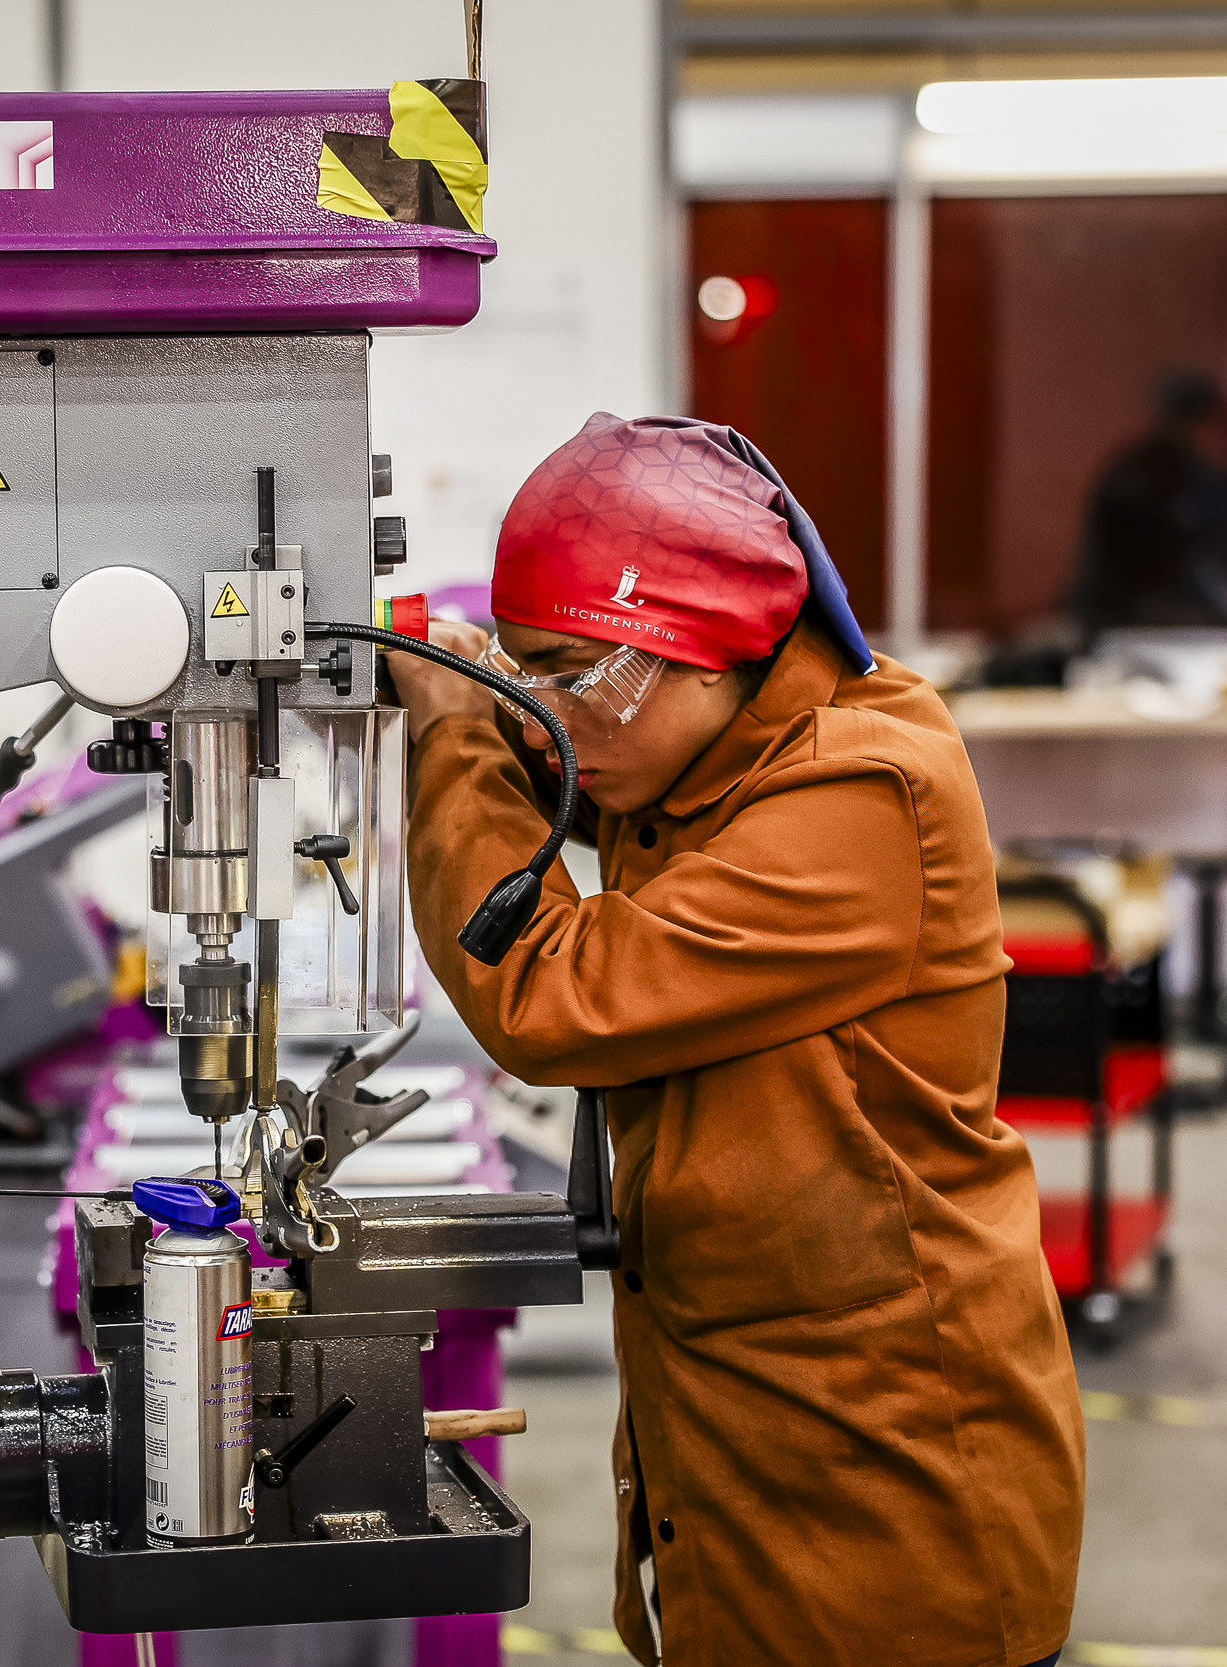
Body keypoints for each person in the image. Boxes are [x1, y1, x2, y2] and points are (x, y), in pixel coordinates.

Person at [390, 415, 1084, 1666]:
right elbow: (583, 786)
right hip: (742, 1438)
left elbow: (552, 993)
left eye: (567, 673)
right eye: (520, 669)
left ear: (703, 653)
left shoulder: (862, 793)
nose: (546, 716)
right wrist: (480, 687)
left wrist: (451, 729)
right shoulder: (716, 759)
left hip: (882, 1478)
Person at [1067, 368, 1227, 643]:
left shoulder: (1191, 474)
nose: (1223, 438)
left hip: (1138, 623)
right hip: (1118, 627)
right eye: (1217, 425)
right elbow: (1162, 563)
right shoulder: (1143, 478)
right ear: (1194, 423)